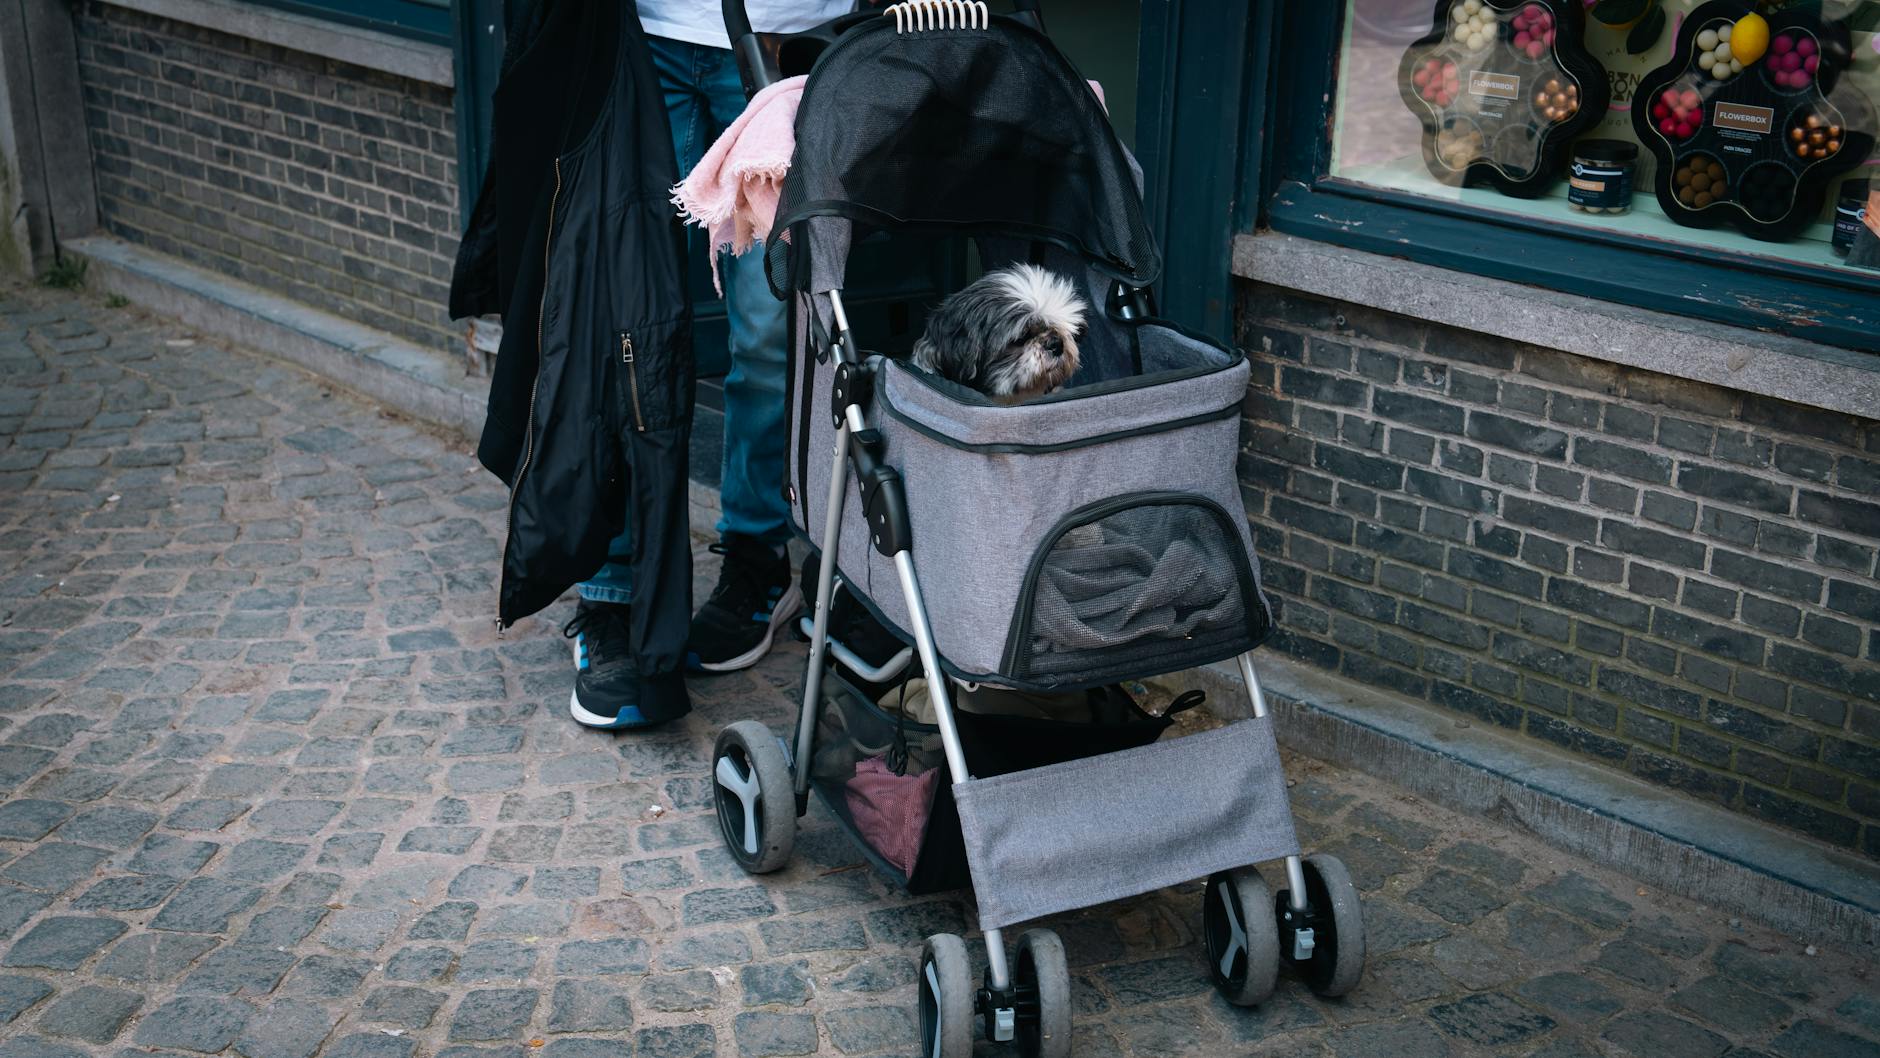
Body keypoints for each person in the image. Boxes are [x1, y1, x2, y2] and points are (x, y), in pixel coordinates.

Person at [565, 0, 852, 729]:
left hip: (782, 43)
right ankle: (610, 586)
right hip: (642, 37)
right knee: (617, 323)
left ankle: (758, 559)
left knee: (767, 336)